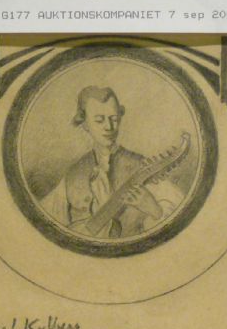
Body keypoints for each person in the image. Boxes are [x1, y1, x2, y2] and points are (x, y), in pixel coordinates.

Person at [40, 86, 184, 239]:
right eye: (99, 120)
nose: (109, 127)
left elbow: (178, 213)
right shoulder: (74, 173)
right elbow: (46, 223)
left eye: (114, 119)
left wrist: (154, 209)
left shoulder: (141, 167)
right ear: (85, 124)